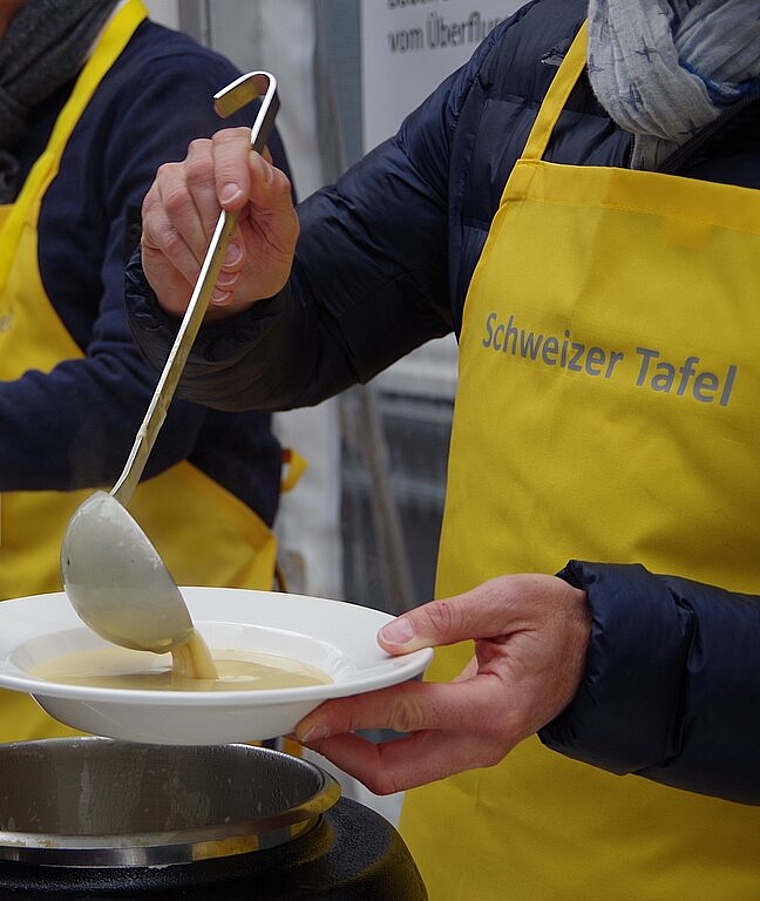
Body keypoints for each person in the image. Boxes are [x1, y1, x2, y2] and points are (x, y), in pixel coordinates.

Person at [127, 0, 760, 898]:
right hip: (468, 854)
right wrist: (225, 291)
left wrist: (602, 655)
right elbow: (317, 315)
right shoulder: (539, 64)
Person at [0, 0, 295, 742]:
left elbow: (140, 401)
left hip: (157, 706)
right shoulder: (16, 111)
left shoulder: (172, 100)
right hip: (18, 662)